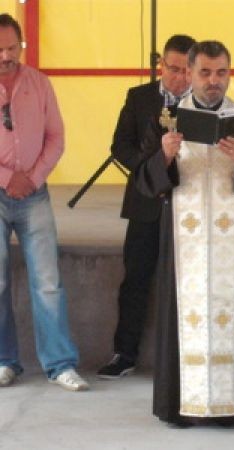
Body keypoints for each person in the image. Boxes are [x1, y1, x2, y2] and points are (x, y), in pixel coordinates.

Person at [134, 40, 234, 427]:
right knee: (184, 316)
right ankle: (179, 405)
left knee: (233, 315)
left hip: (232, 241)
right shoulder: (166, 118)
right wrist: (164, 155)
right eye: (205, 73)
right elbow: (143, 181)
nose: (214, 81)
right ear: (189, 73)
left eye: (221, 73)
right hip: (184, 241)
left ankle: (232, 407)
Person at [97, 34, 195, 379]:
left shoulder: (206, 102)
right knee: (136, 278)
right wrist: (152, 166)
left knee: (189, 283)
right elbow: (120, 146)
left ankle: (189, 354)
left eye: (186, 70)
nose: (180, 77)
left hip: (190, 206)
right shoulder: (139, 97)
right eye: (173, 69)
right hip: (146, 201)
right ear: (161, 65)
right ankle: (124, 353)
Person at [0, 14, 88, 391]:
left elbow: (56, 138)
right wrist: (8, 178)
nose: (6, 56)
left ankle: (60, 364)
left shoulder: (40, 83)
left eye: (12, 48)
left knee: (48, 282)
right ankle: (4, 361)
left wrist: (32, 179)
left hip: (34, 194)